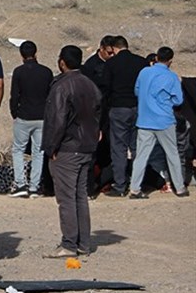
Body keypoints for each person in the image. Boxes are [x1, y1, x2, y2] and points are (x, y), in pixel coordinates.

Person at [41, 45, 101, 259]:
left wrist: (51, 147)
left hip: (67, 148)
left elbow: (57, 120)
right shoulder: (90, 85)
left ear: (62, 62)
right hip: (86, 147)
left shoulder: (62, 86)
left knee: (66, 198)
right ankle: (83, 243)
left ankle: (69, 244)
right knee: (80, 197)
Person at [127, 47, 189, 199]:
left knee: (141, 156)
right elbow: (178, 100)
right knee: (172, 154)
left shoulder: (144, 72)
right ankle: (179, 187)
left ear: (156, 57)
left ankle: (135, 188)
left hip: (144, 120)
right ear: (170, 61)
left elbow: (136, 91)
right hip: (164, 120)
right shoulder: (171, 77)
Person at [102, 35, 148, 197]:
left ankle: (120, 185)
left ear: (114, 48)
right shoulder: (141, 62)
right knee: (137, 147)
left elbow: (105, 88)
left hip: (118, 108)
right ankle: (138, 184)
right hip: (138, 108)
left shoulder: (111, 64)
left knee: (118, 148)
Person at [8, 41, 54, 198]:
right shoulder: (46, 72)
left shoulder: (19, 72)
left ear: (21, 55)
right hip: (42, 117)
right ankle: (35, 186)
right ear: (36, 53)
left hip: (24, 116)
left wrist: (14, 112)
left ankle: (20, 184)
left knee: (18, 150)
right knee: (38, 151)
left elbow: (15, 95)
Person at [81, 35, 115, 198]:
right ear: (101, 49)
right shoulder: (91, 67)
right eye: (109, 52)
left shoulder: (113, 65)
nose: (112, 56)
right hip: (96, 115)